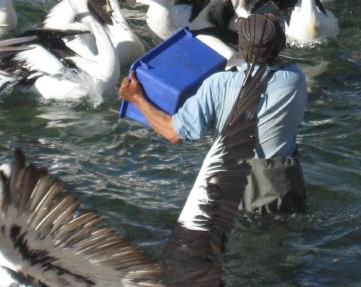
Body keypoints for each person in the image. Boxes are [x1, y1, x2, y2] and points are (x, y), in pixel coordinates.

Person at [119, 13, 308, 214]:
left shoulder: (217, 85)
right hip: (283, 184)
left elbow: (173, 133)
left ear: (241, 47)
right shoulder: (294, 79)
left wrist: (137, 99)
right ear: (280, 43)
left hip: (235, 185)